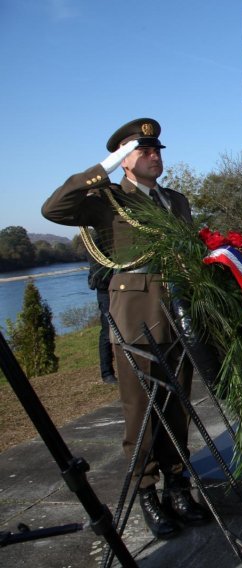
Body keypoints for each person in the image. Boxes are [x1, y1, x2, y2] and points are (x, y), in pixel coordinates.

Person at [42, 118, 210, 538]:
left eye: (157, 149)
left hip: (177, 312)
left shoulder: (177, 200)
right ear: (125, 159)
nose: (155, 155)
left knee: (176, 405)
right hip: (136, 313)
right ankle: (147, 491)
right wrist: (102, 167)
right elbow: (54, 209)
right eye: (144, 150)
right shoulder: (108, 198)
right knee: (141, 410)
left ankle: (178, 484)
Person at [87, 256, 117, 384]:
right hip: (105, 286)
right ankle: (107, 373)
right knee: (107, 330)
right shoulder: (95, 240)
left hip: (119, 284)